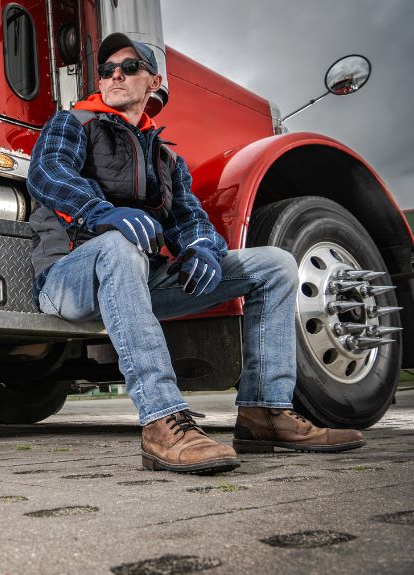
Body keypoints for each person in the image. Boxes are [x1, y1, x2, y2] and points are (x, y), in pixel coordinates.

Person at [27, 33, 365, 474]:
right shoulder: (73, 123)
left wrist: (203, 247)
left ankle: (265, 412)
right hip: (68, 278)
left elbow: (190, 218)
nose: (114, 75)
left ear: (153, 82)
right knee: (118, 245)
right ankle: (161, 421)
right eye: (107, 70)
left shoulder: (166, 160)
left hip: (140, 279)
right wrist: (101, 212)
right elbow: (47, 173)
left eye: (128, 67)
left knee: (275, 265)